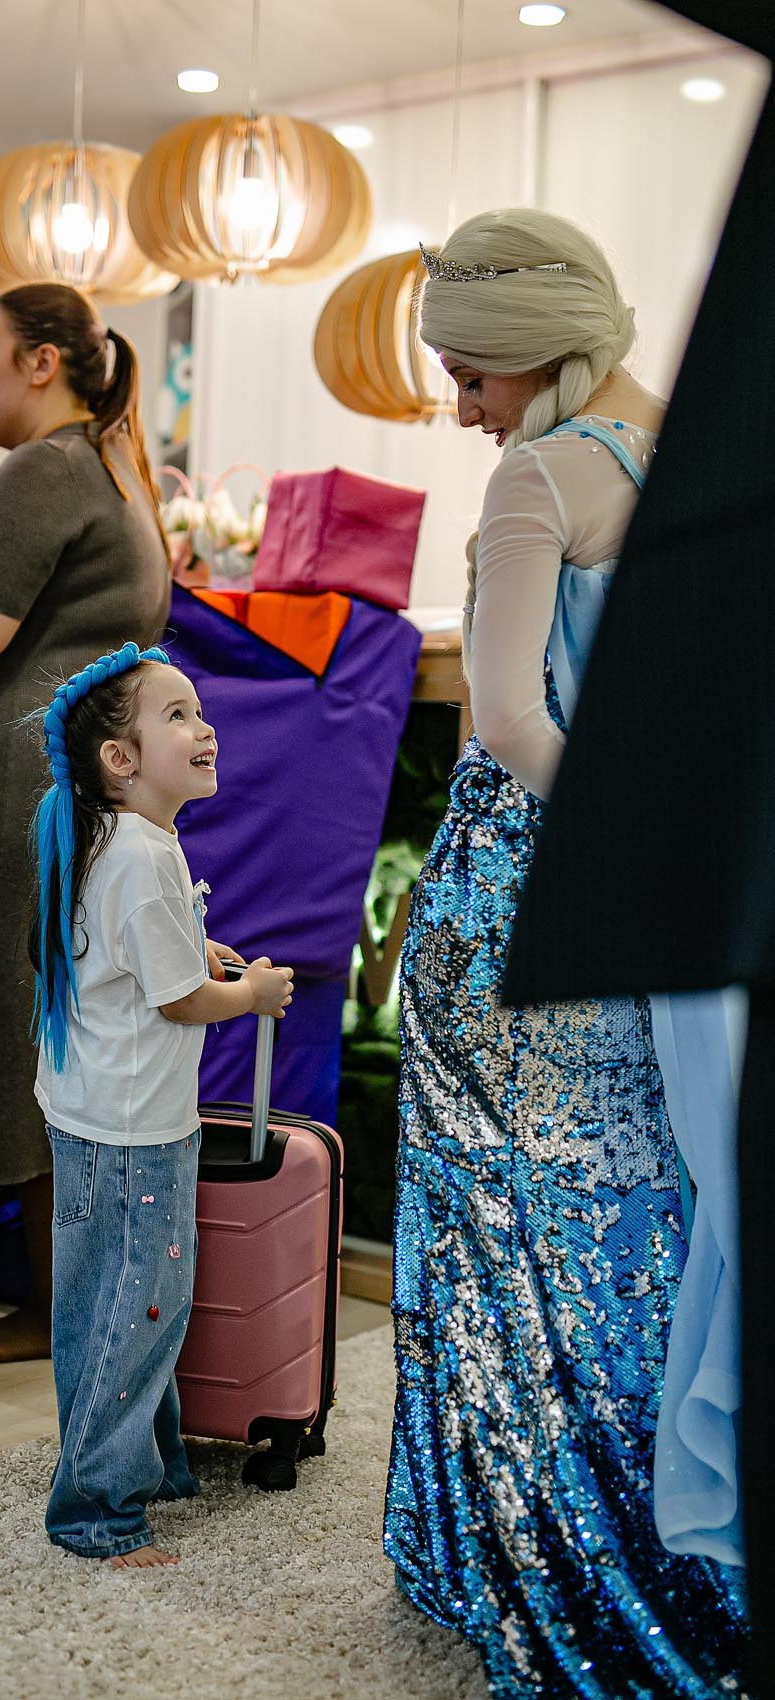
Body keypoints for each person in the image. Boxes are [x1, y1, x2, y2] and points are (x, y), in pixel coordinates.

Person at [384, 208, 749, 1697]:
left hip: (516, 907)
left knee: (502, 1243)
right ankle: (667, 1564)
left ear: (534, 356)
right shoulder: (702, 468)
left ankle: (532, 1565)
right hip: (655, 918)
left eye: (468, 375)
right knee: (639, 1225)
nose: (459, 408)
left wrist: (628, 826)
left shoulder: (539, 476)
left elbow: (506, 720)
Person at [0, 283, 172, 1364]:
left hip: (13, 786)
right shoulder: (114, 466)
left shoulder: (41, 467)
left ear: (43, 362)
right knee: (37, 1021)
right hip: (55, 781)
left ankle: (6, 1300)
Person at [31, 642, 292, 1566]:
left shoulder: (118, 840)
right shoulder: (142, 853)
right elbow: (179, 1001)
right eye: (176, 714)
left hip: (92, 1116)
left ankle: (148, 1461)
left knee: (105, 1305)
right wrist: (249, 993)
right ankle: (97, 1511)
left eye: (199, 710)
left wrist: (201, 949)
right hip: (135, 1134)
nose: (203, 727)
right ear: (121, 758)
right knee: (142, 1313)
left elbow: (134, 953)